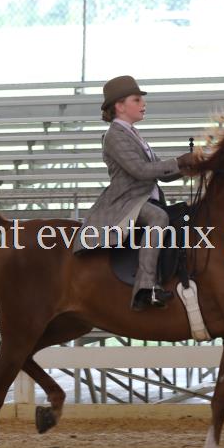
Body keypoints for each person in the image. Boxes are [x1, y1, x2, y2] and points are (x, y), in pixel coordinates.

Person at [73, 75, 197, 310]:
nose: (143, 104)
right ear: (120, 106)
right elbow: (140, 171)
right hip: (126, 202)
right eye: (137, 100)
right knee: (158, 217)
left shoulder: (134, 135)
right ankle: (145, 288)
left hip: (144, 199)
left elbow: (161, 173)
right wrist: (179, 161)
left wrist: (188, 168)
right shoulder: (114, 136)